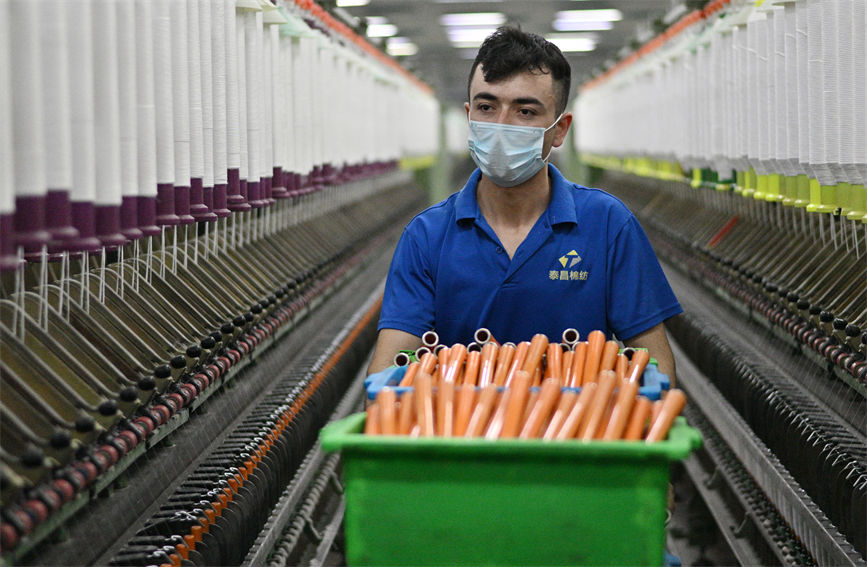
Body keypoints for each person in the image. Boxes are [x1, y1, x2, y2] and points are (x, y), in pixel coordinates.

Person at [368, 26, 682, 382]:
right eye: (487, 107)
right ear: (470, 115)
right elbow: (388, 373)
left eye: (526, 112)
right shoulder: (426, 236)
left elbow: (654, 365)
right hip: (458, 435)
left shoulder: (609, 224)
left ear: (561, 129)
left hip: (578, 433)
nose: (501, 125)